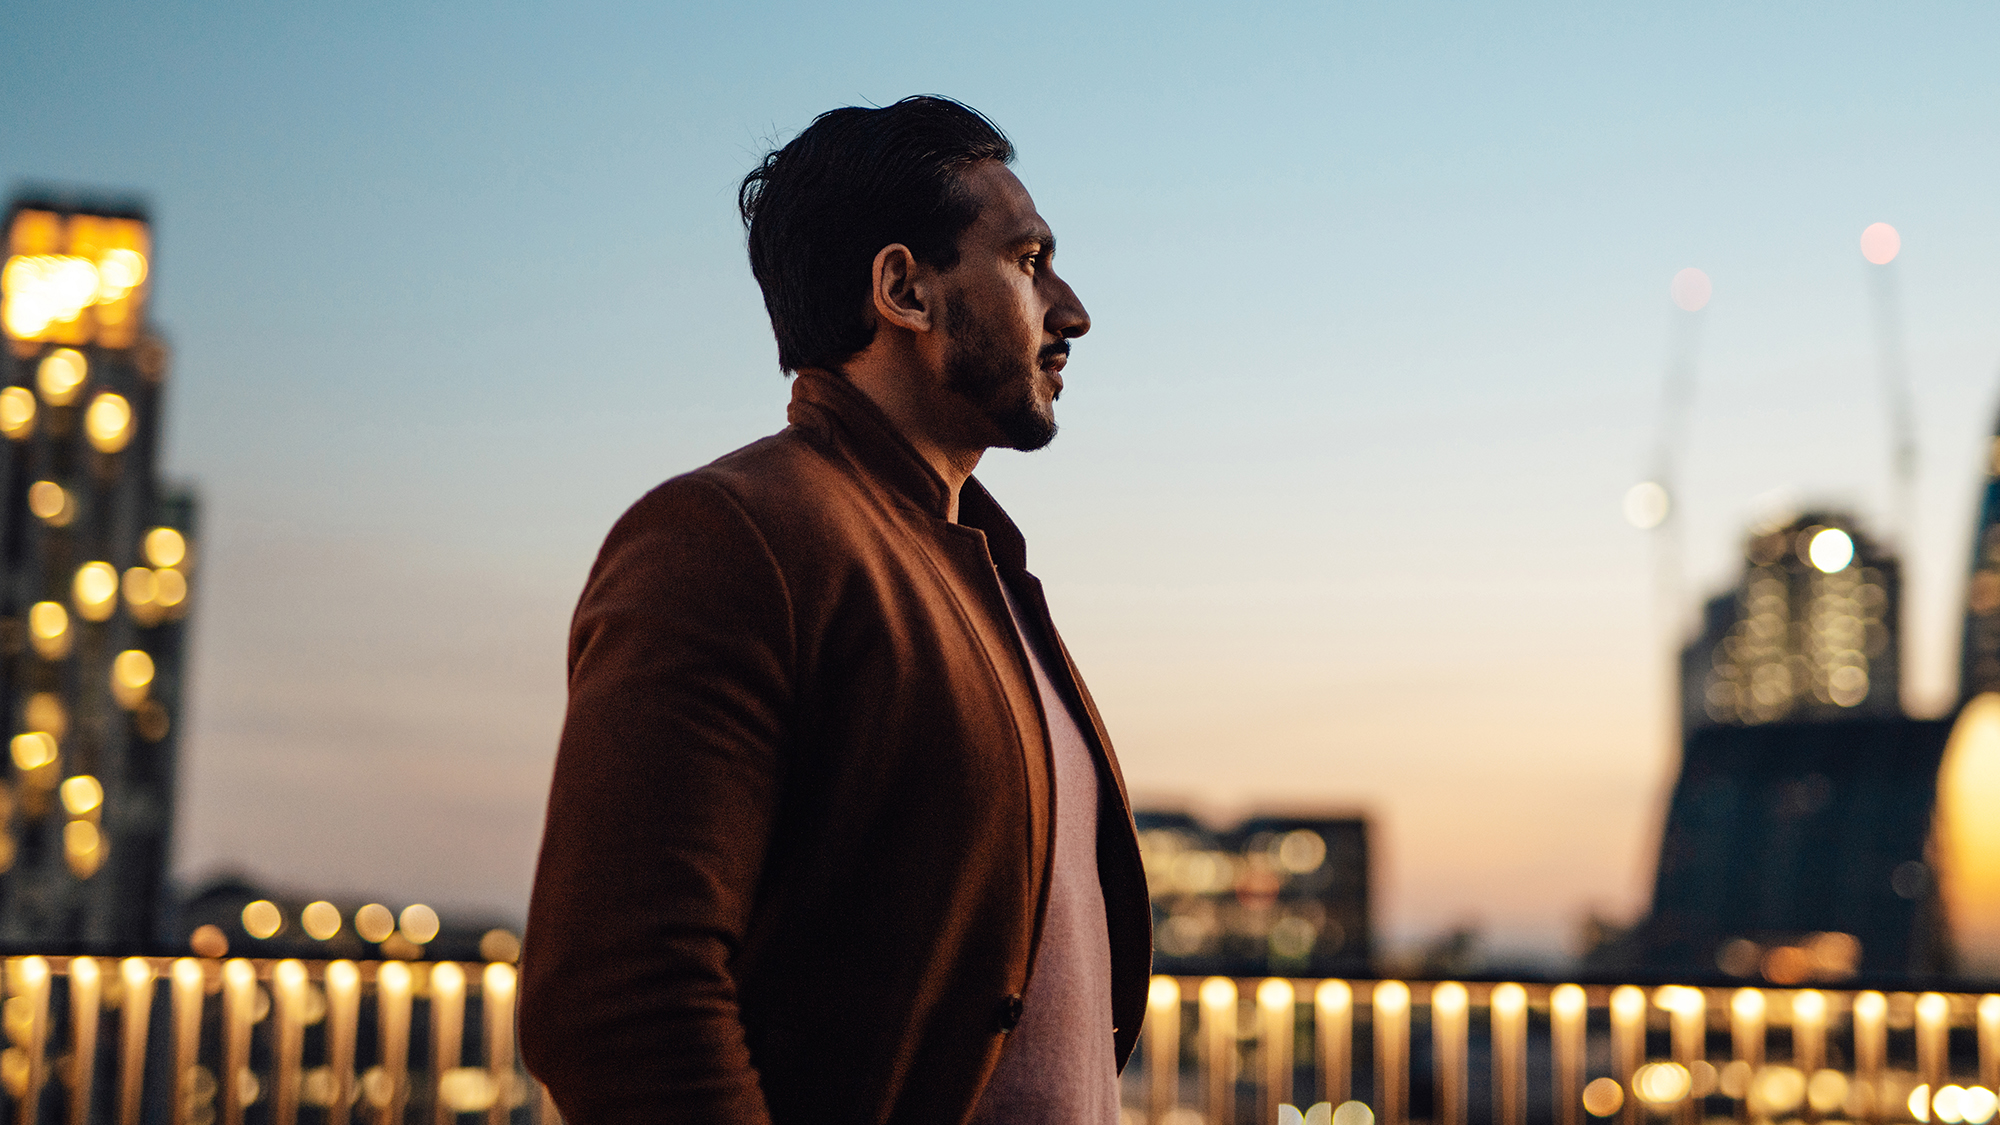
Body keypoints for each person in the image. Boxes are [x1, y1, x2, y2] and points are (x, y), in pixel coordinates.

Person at [519, 96, 1152, 1124]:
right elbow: (617, 1001)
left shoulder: (976, 568)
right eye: (1027, 260)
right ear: (903, 288)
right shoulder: (731, 537)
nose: (1070, 310)